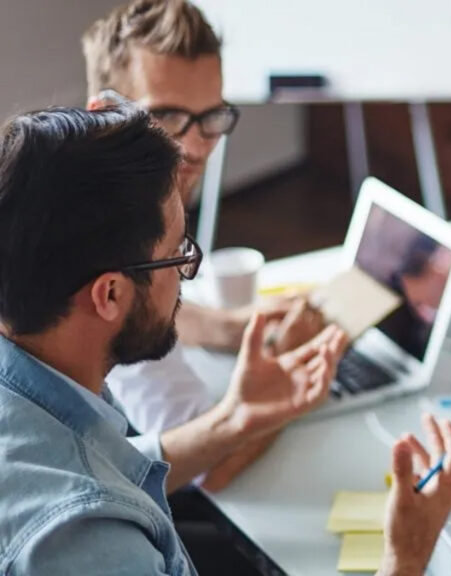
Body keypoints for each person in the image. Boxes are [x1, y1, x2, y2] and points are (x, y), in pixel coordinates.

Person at [0, 106, 451, 576]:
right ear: (110, 293)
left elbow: (102, 466)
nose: (185, 278)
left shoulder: (37, 389)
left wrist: (235, 419)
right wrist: (405, 557)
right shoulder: (90, 542)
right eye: (178, 256)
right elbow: (90, 496)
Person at [81, 0, 334, 493]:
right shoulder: (113, 252)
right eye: (167, 116)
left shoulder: (87, 188)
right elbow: (203, 468)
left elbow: (145, 321)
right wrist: (288, 373)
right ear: (106, 114)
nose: (195, 146)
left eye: (211, 116)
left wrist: (228, 327)